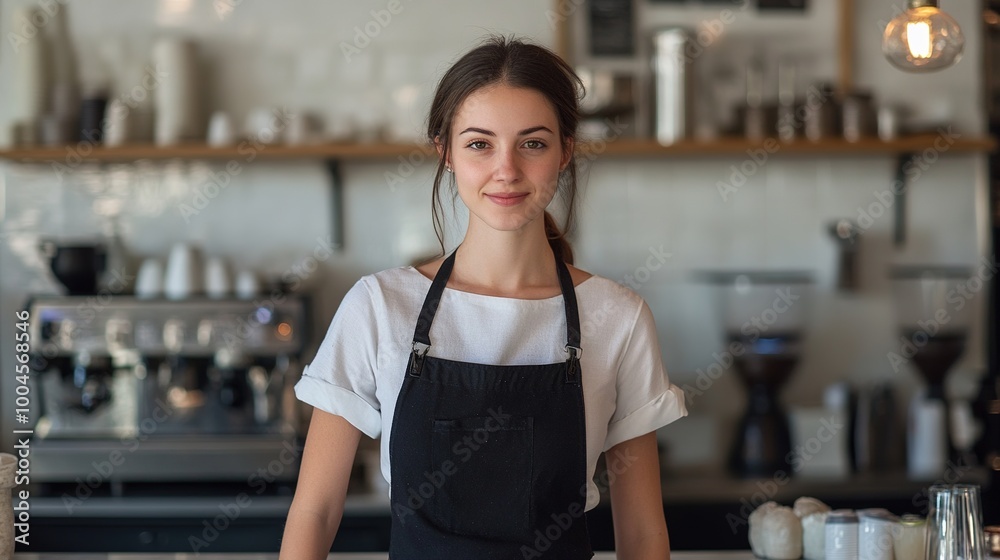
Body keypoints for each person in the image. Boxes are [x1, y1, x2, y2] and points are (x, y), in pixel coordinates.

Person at [279, 35, 687, 560]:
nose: (507, 169)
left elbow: (642, 532)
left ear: (566, 150)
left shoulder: (617, 317)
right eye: (479, 143)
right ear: (445, 151)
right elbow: (315, 511)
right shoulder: (379, 306)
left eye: (533, 143)